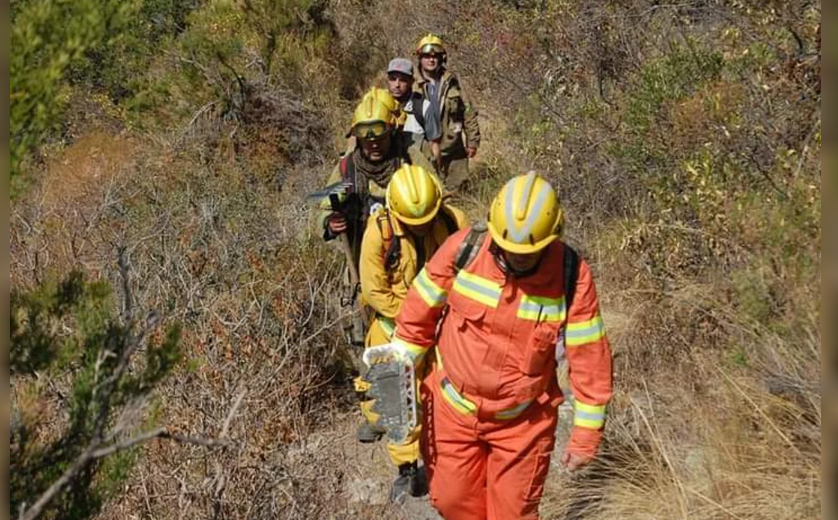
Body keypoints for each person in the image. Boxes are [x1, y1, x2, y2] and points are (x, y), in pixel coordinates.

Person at [392, 172, 613, 519]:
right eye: (510, 249)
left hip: (522, 425)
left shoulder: (571, 275)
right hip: (453, 410)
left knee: (512, 514)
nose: (518, 257)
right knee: (451, 502)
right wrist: (397, 375)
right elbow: (416, 317)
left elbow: (589, 357)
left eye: (529, 251)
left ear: (552, 238)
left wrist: (586, 433)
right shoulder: (465, 249)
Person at [357, 163, 468, 502]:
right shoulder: (380, 232)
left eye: (426, 221)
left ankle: (450, 460)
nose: (421, 229)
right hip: (394, 328)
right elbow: (374, 290)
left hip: (441, 326)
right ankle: (406, 470)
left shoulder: (453, 222)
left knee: (446, 396)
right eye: (413, 224)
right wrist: (413, 315)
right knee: (397, 403)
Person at [319, 96, 434, 345]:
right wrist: (329, 222)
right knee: (363, 324)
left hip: (411, 258)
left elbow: (436, 194)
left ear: (391, 132)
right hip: (363, 257)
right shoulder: (348, 167)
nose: (373, 145)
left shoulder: (409, 159)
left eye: (380, 138)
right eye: (366, 139)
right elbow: (325, 205)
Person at [413, 34, 481, 190]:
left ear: (442, 58)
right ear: (420, 58)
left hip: (453, 147)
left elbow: (468, 111)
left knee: (457, 191)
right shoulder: (411, 84)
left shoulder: (453, 82)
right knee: (426, 191)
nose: (431, 60)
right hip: (423, 148)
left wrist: (472, 141)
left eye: (435, 56)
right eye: (427, 56)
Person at [385, 57, 442, 161]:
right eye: (393, 79)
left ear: (411, 81)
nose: (397, 85)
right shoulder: (379, 104)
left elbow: (434, 144)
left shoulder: (423, 106)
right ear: (388, 80)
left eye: (403, 80)